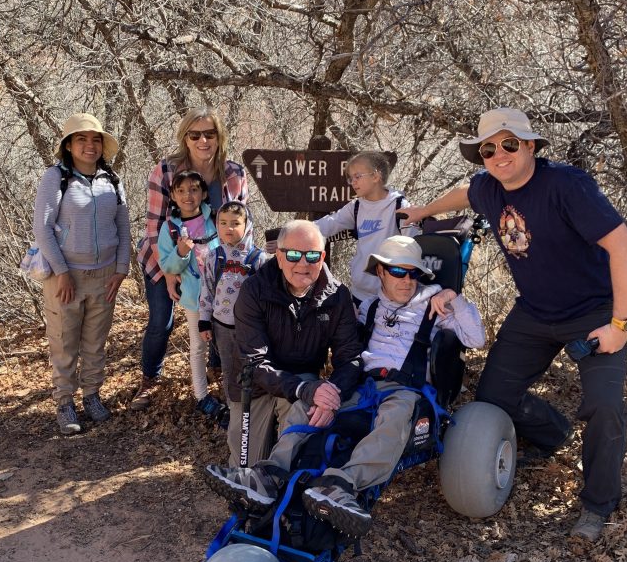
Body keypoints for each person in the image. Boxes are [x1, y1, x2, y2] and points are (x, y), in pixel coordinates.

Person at [400, 107, 627, 542]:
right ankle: (554, 435)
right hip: (533, 312)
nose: (499, 154)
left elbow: (625, 249)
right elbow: (463, 194)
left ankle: (598, 504)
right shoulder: (488, 187)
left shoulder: (567, 186)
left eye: (509, 144)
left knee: (604, 407)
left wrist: (620, 324)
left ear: (530, 146)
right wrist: (421, 212)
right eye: (488, 148)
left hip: (593, 312)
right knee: (494, 398)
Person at [206, 234, 485, 537]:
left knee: (394, 416)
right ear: (381, 272)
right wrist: (331, 393)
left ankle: (341, 486)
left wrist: (453, 297)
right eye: (398, 272)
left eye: (413, 273)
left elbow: (476, 339)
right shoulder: (368, 308)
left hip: (405, 390)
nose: (407, 281)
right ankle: (270, 474)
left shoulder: (435, 306)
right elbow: (347, 352)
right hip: (363, 388)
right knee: (308, 402)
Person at [131, 107, 248, 410]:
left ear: (219, 136)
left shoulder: (233, 173)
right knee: (161, 320)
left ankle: (217, 373)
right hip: (166, 254)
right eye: (195, 134)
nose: (203, 140)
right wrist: (170, 273)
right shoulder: (166, 171)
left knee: (220, 319)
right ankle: (150, 380)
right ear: (185, 138)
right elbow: (155, 223)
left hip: (212, 263)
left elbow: (239, 222)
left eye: (209, 133)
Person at [222, 219, 363, 466]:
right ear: (278, 256)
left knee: (291, 459)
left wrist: (332, 395)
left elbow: (350, 357)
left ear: (323, 258)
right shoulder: (254, 290)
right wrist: (304, 389)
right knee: (245, 470)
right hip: (253, 386)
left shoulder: (337, 296)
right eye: (294, 254)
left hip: (302, 382)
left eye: (312, 256)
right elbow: (253, 361)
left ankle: (283, 483)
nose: (302, 263)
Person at [33, 112, 130, 435]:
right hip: (66, 277)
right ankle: (64, 402)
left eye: (95, 139)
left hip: (104, 276)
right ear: (69, 145)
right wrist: (61, 271)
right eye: (81, 139)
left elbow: (123, 227)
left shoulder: (112, 180)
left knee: (95, 341)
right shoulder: (56, 178)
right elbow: (42, 229)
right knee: (64, 341)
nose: (90, 145)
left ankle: (92, 395)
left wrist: (121, 268)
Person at [197, 201, 268, 454]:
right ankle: (233, 409)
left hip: (250, 329)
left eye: (235, 223)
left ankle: (255, 414)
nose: (229, 229)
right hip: (221, 326)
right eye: (223, 223)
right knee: (228, 369)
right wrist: (204, 320)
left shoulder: (259, 258)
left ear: (247, 226)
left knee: (251, 369)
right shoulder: (213, 256)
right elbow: (206, 289)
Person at [315, 150, 420, 304]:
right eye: (351, 178)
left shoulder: (399, 206)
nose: (353, 182)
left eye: (357, 176)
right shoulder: (356, 206)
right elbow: (329, 223)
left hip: (392, 297)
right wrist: (289, 236)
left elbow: (414, 249)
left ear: (376, 176)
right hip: (360, 294)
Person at [156, 170, 221, 415]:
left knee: (226, 342)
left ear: (203, 193)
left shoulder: (214, 219)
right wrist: (181, 252)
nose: (188, 196)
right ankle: (201, 396)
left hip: (224, 295)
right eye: (181, 191)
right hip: (194, 298)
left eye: (194, 189)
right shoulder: (170, 229)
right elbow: (168, 266)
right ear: (172, 195)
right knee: (197, 347)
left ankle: (233, 389)